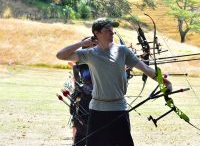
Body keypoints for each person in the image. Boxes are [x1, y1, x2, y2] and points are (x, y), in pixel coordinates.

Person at [56, 18, 172, 146]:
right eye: (107, 30)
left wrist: (164, 83)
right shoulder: (89, 53)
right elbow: (61, 55)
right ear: (97, 33)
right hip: (97, 111)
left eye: (112, 30)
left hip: (118, 109)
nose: (112, 33)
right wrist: (82, 43)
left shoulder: (123, 51)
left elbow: (145, 68)